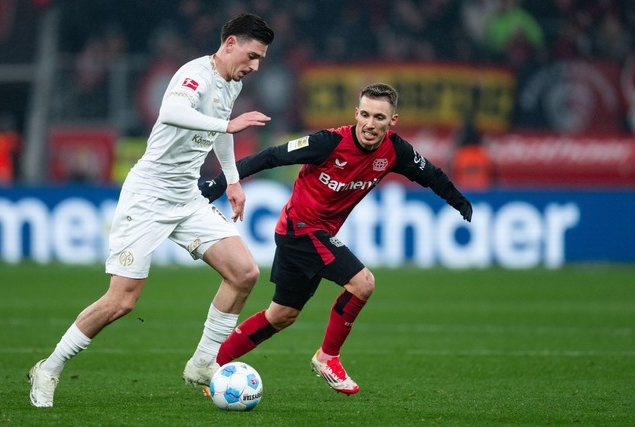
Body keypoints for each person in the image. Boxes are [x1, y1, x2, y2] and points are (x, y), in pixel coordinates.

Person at [28, 13, 274, 408]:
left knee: (244, 273)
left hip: (186, 197)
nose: (255, 66)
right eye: (251, 55)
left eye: (260, 59)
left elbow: (218, 128)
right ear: (229, 44)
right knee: (121, 302)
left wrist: (231, 180)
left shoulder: (230, 82)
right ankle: (50, 367)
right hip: (148, 197)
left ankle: (202, 363)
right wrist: (228, 127)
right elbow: (173, 114)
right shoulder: (193, 75)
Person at [199, 83, 473, 395]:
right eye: (366, 115)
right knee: (363, 283)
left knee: (281, 315)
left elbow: (432, 175)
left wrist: (459, 201)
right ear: (357, 114)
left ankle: (211, 367)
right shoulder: (328, 142)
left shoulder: (395, 151)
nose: (371, 124)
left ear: (392, 121)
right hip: (300, 229)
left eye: (379, 118)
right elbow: (272, 156)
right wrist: (223, 182)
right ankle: (327, 358)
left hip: (308, 233)